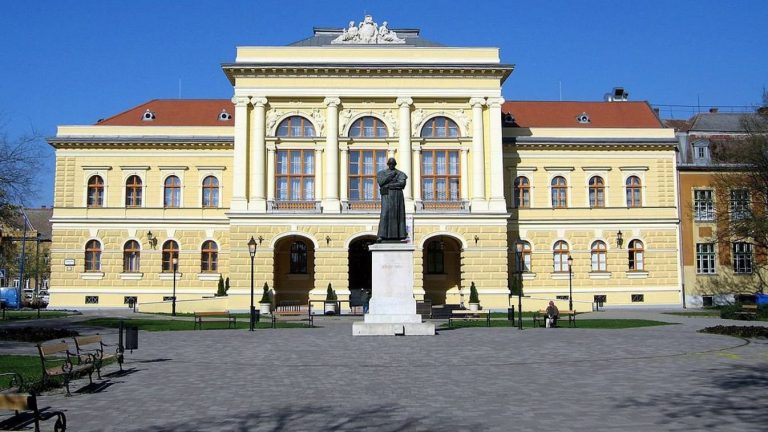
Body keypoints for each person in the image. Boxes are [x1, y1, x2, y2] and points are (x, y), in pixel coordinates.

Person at [376, 158, 408, 241]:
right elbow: (381, 182)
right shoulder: (381, 173)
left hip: (397, 196)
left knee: (398, 215)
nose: (391, 165)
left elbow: (402, 184)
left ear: (395, 164)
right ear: (387, 164)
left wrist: (389, 185)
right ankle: (382, 235)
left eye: (393, 164)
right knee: (384, 214)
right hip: (386, 196)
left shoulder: (400, 174)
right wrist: (390, 177)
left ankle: (400, 235)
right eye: (390, 164)